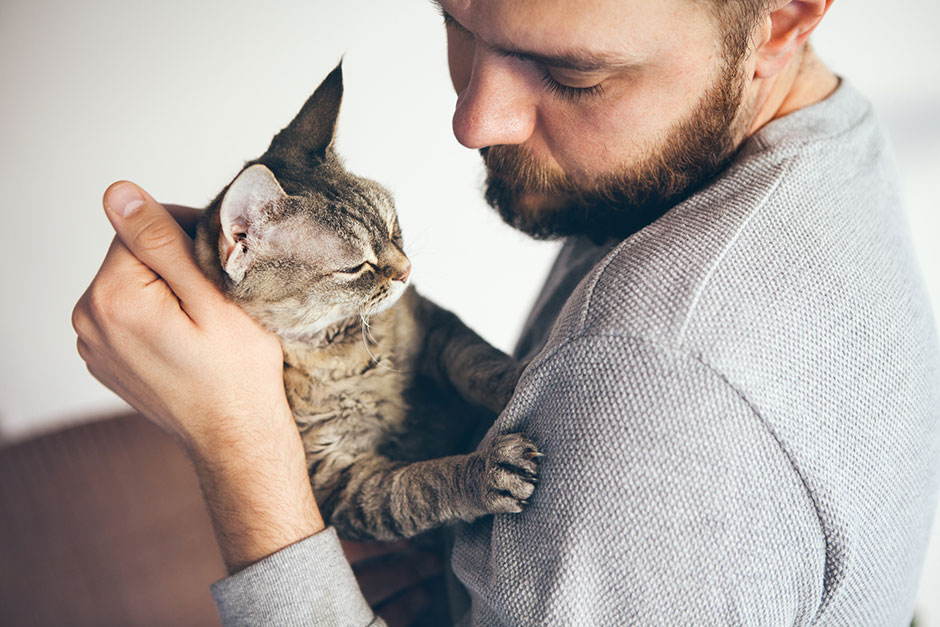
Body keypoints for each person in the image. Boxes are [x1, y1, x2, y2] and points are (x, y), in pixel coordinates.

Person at [71, 0, 940, 624]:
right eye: (456, 22)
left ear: (783, 19)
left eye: (573, 72)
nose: (474, 121)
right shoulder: (818, 151)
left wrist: (236, 446)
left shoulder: (662, 391)